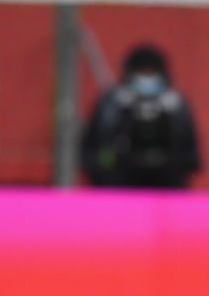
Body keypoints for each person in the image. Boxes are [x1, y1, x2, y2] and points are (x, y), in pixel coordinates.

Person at [80, 44, 201, 188]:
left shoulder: (175, 104)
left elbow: (190, 153)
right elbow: (94, 146)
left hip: (168, 183)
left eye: (151, 72)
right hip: (119, 181)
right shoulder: (114, 101)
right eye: (142, 72)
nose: (147, 78)